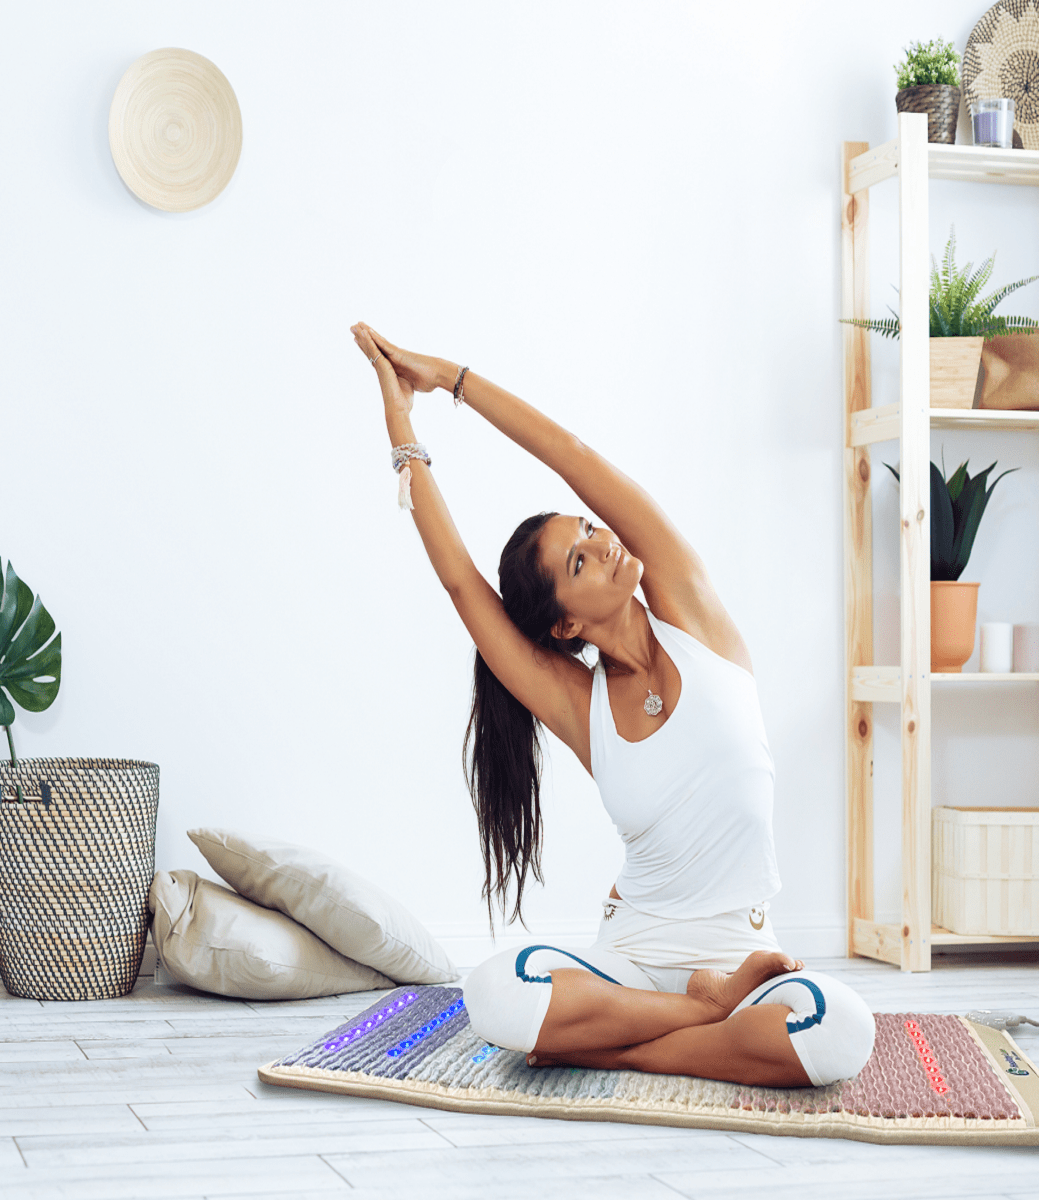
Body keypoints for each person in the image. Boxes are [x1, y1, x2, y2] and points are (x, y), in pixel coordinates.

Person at [350, 323, 876, 1089]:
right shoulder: (578, 703)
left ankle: (623, 1044)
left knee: (840, 1035)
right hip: (629, 959)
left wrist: (451, 377)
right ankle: (702, 1016)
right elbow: (462, 583)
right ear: (565, 625)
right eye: (579, 561)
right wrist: (400, 423)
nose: (602, 544)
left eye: (590, 530)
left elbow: (574, 456)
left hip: (744, 955)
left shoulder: (692, 616)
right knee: (495, 993)